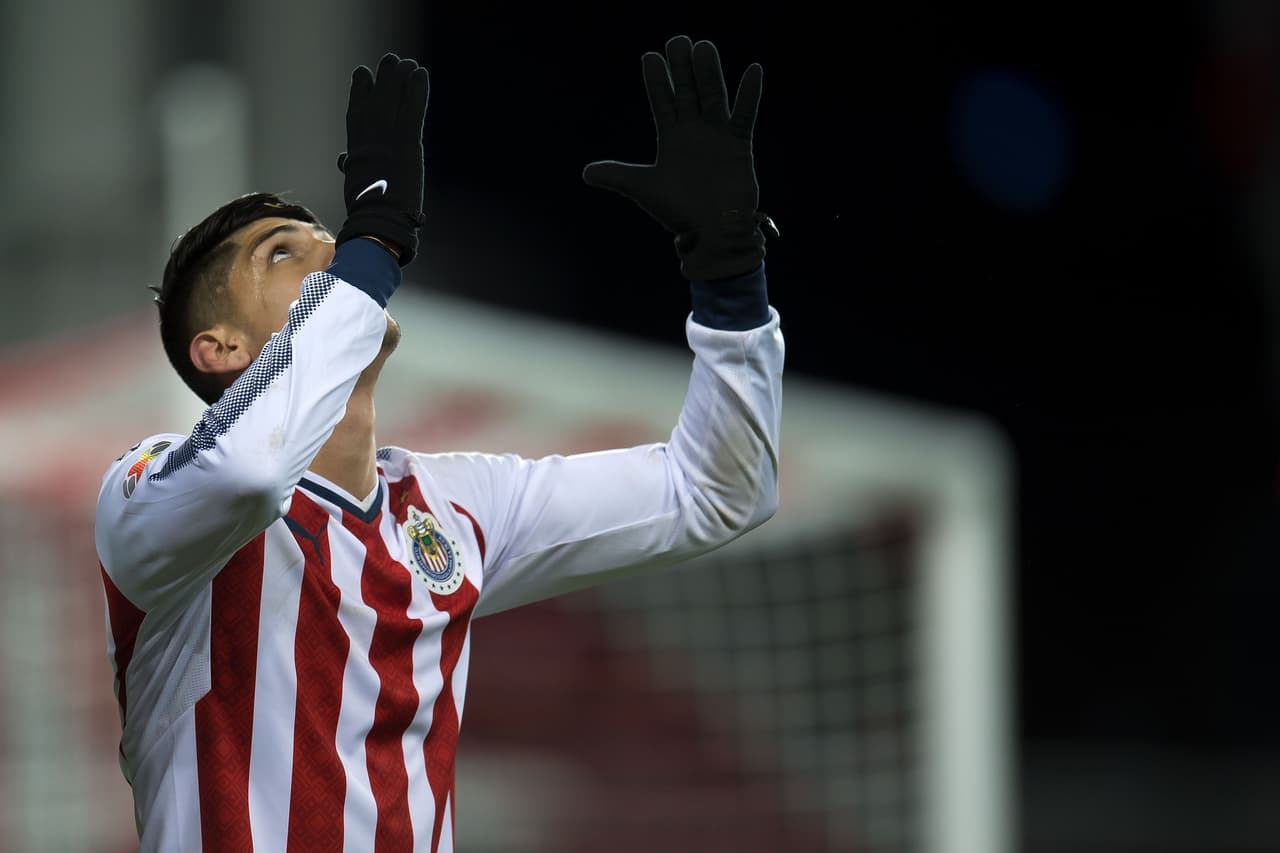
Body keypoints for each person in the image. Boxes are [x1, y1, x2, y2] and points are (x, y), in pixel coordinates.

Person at [95, 35, 782, 852]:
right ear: (221, 349)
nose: (331, 253)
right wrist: (373, 241)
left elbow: (714, 493)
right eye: (284, 253)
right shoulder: (150, 493)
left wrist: (731, 283)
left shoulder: (453, 507)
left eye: (333, 238)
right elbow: (250, 469)